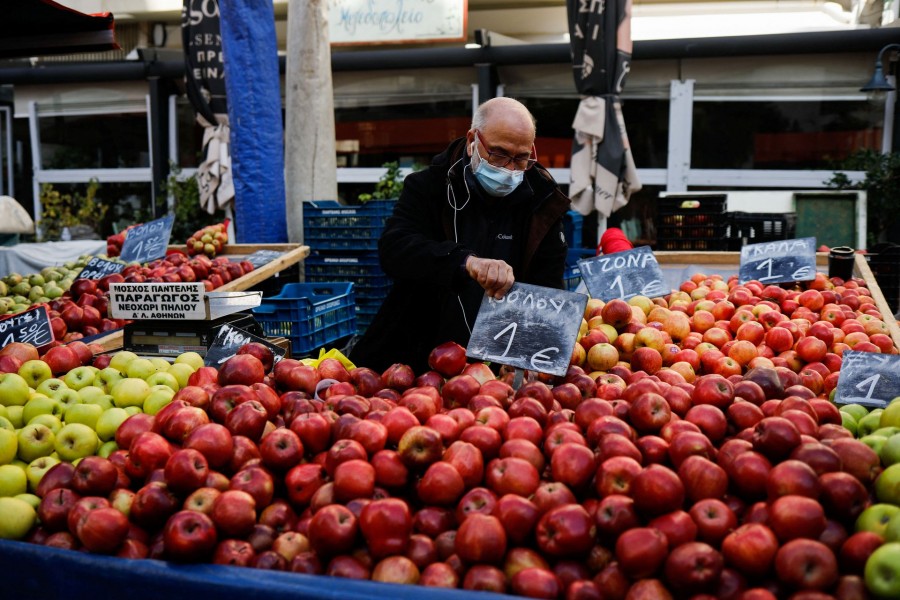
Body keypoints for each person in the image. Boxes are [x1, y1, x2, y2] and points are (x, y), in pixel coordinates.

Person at [349, 97, 572, 374]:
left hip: (501, 365)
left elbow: (548, 288)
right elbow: (394, 249)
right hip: (416, 356)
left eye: (521, 158)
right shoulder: (429, 186)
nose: (509, 169)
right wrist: (465, 262)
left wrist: (526, 361)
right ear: (472, 141)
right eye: (499, 154)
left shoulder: (543, 203)